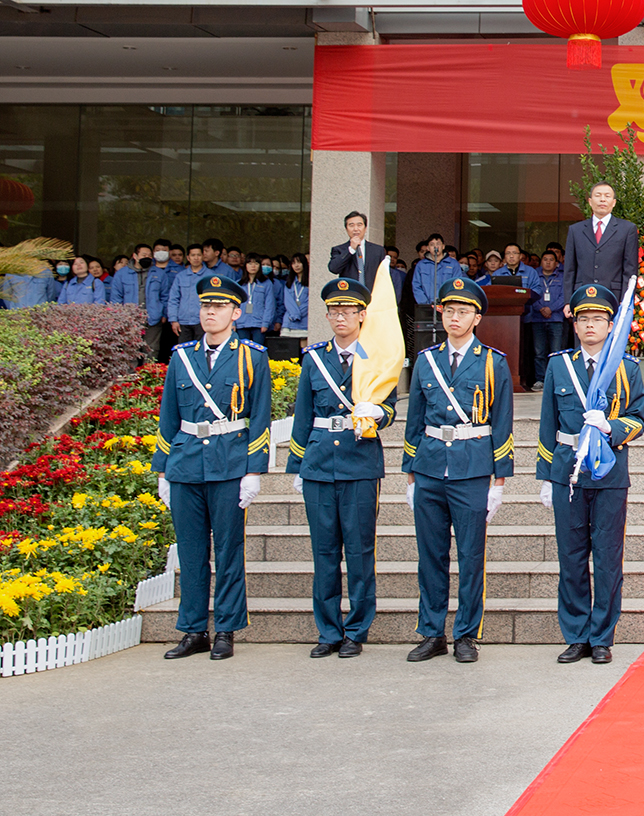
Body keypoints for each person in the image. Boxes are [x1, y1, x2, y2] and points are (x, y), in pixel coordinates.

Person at [155, 275, 272, 660]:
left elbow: (260, 416)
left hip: (229, 463)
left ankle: (225, 629)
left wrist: (253, 470)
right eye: (206, 305)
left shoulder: (252, 356)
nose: (210, 312)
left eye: (219, 306)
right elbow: (168, 417)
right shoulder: (182, 356)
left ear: (236, 313)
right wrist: (163, 470)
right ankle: (193, 630)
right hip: (186, 463)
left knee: (228, 551)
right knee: (190, 553)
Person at [402, 276, 514, 664]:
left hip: (472, 468)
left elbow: (502, 423)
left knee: (470, 556)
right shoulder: (427, 360)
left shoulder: (493, 362)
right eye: (449, 310)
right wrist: (410, 473)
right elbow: (414, 419)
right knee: (430, 556)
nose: (454, 318)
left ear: (477, 318)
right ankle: (432, 632)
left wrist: (499, 480)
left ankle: (466, 634)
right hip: (431, 466)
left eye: (463, 312)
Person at [538, 283, 644, 665]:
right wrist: (545, 475)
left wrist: (610, 427)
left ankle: (602, 637)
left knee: (607, 559)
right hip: (567, 471)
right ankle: (576, 635)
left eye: (598, 319)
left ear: (610, 324)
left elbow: (638, 420)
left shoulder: (626, 367)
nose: (590, 325)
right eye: (583, 318)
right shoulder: (559, 365)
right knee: (571, 557)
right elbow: (547, 424)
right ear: (574, 324)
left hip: (609, 473)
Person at [287, 277, 394, 659]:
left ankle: (357, 629)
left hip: (360, 461)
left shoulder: (376, 356)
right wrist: (297, 465)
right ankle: (328, 630)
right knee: (324, 552)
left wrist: (378, 413)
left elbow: (390, 407)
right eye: (334, 311)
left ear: (363, 315)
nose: (341, 317)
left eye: (348, 311)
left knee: (360, 551)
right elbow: (303, 415)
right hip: (319, 463)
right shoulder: (314, 358)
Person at [564, 182, 639, 308]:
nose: (602, 199)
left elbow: (630, 268)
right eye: (598, 195)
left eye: (607, 196)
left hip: (613, 296)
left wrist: (625, 300)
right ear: (590, 201)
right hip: (582, 296)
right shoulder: (575, 230)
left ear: (614, 202)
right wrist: (568, 301)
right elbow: (569, 269)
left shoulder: (627, 229)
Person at [408, 234, 464, 353]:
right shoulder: (421, 265)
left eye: (438, 244)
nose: (435, 247)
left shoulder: (453, 264)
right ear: (428, 248)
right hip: (426, 308)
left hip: (446, 307)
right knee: (425, 337)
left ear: (443, 246)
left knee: (446, 335)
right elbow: (416, 286)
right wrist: (425, 303)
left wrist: (447, 301)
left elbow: (457, 284)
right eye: (432, 245)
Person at [527, 248, 568, 386]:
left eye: (551, 260)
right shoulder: (534, 275)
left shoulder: (561, 277)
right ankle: (540, 379)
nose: (548, 262)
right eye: (545, 260)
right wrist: (540, 308)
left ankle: (555, 379)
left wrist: (551, 309)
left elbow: (564, 296)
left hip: (556, 318)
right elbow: (531, 293)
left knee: (556, 351)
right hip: (537, 318)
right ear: (541, 262)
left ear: (556, 263)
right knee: (539, 351)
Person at [167, 244, 214, 342]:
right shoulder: (181, 276)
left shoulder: (211, 276)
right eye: (193, 255)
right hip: (183, 321)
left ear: (203, 256)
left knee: (202, 349)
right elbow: (173, 299)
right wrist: (173, 320)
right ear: (188, 258)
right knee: (184, 349)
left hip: (203, 320)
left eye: (198, 255)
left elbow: (216, 299)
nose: (196, 258)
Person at [327, 211, 386, 285]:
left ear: (365, 228)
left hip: (371, 291)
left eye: (359, 225)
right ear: (346, 229)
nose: (355, 229)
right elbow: (333, 269)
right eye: (351, 225)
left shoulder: (378, 250)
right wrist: (351, 249)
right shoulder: (339, 249)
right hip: (349, 291)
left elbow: (384, 275)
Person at [234, 257, 279, 339]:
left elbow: (270, 305)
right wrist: (233, 323)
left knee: (258, 347)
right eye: (250, 263)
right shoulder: (239, 283)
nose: (253, 266)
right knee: (243, 347)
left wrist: (265, 323)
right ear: (245, 266)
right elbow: (234, 305)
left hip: (259, 323)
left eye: (256, 263)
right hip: (241, 323)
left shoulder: (266, 283)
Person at [281, 254, 311, 335]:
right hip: (289, 321)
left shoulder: (310, 282)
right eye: (293, 263)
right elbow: (288, 302)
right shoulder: (289, 283)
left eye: (299, 262)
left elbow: (309, 302)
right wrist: (294, 315)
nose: (296, 265)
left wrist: (298, 314)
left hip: (304, 321)